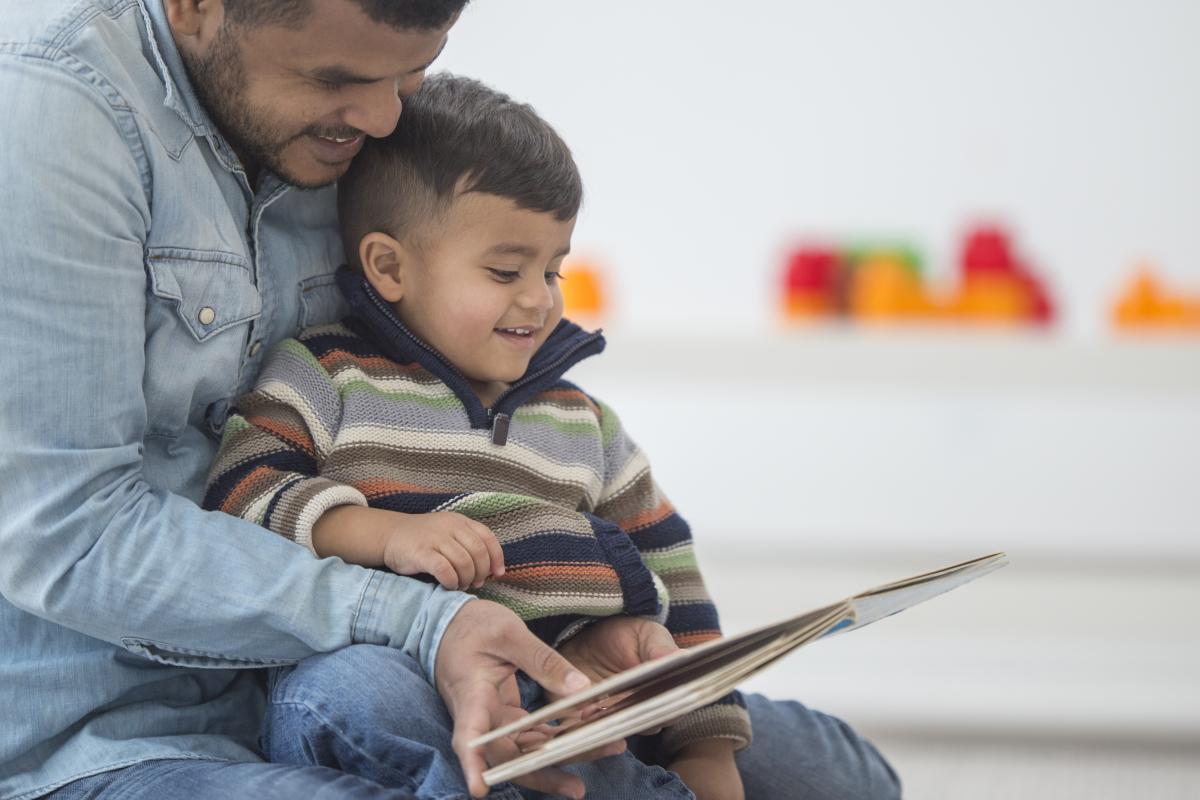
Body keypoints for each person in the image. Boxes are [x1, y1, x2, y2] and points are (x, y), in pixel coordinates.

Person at [203, 74, 902, 800]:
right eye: (506, 270)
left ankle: (610, 777)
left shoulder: (582, 423)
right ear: (389, 267)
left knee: (838, 768)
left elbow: (677, 582)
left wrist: (703, 750)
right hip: (409, 682)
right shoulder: (326, 375)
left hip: (581, 697)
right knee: (349, 695)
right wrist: (378, 533)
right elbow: (238, 492)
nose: (539, 297)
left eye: (553, 268)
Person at [0, 2, 629, 799]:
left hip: (324, 683)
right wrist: (419, 620)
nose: (384, 117)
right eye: (336, 78)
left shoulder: (342, 128)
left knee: (801, 757)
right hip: (98, 740)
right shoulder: (49, 106)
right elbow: (66, 534)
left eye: (413, 72)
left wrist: (574, 615)